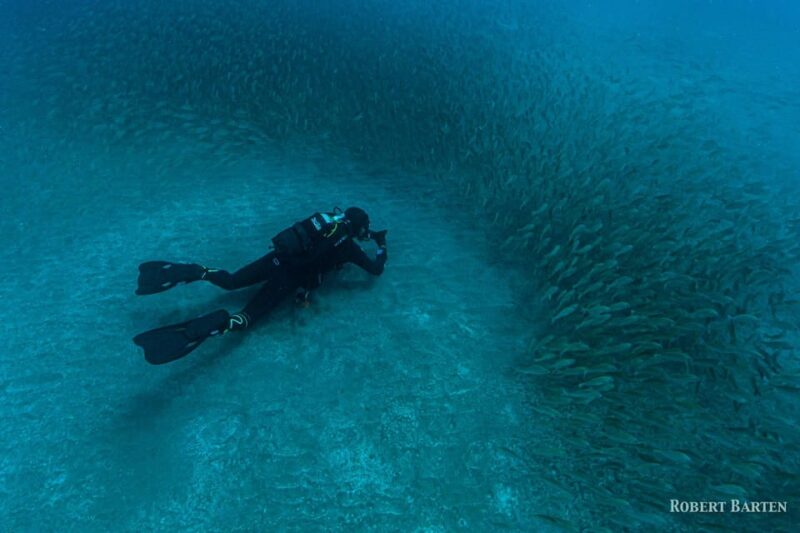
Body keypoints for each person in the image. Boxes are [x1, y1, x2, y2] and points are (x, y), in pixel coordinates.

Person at [133, 207, 388, 364]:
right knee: (246, 319)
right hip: (288, 278)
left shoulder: (327, 221)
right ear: (358, 230)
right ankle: (219, 325)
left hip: (276, 258)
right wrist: (382, 247)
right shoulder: (349, 248)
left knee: (232, 281)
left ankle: (198, 271)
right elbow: (375, 270)